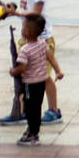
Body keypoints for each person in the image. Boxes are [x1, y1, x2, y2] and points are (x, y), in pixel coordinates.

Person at [0, 0, 63, 126]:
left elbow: (36, 12)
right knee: (25, 75)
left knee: (43, 76)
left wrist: (16, 14)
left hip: (41, 39)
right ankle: (23, 110)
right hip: (28, 38)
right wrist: (13, 9)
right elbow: (26, 8)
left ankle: (53, 110)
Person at [10, 12, 63, 147]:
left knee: (30, 109)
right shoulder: (42, 44)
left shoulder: (25, 50)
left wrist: (13, 71)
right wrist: (58, 71)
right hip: (41, 83)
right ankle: (34, 131)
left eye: (23, 27)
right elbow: (51, 58)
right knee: (37, 107)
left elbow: (22, 68)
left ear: (27, 31)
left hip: (30, 83)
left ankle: (33, 134)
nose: (21, 29)